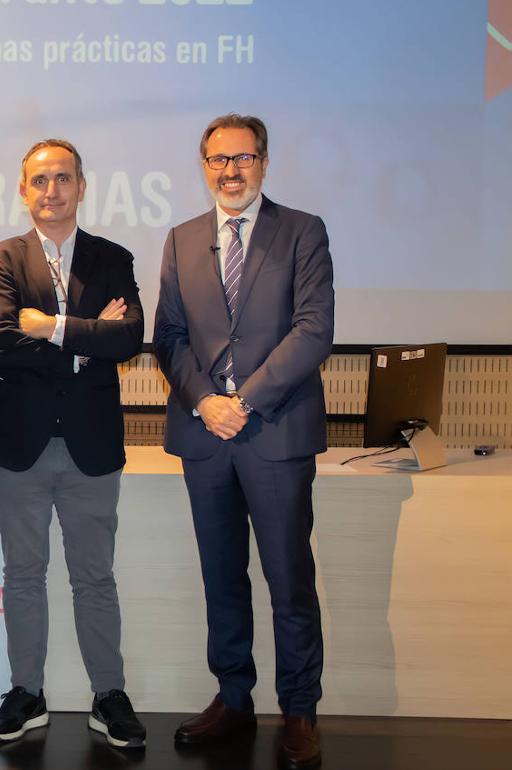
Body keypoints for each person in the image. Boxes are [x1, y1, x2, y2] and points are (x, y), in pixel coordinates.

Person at [154, 114, 333, 770]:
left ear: (264, 163)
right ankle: (234, 698)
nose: (231, 171)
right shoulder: (180, 240)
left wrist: (243, 401)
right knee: (222, 576)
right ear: (204, 166)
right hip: (206, 437)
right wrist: (204, 401)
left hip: (274, 432)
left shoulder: (302, 233)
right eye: (218, 160)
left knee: (289, 580)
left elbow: (314, 331)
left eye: (244, 158)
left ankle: (299, 710)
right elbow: (168, 335)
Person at [0, 139, 146, 747]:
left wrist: (49, 327)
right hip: (19, 444)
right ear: (24, 190)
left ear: (81, 186)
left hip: (91, 444)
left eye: (63, 179)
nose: (52, 191)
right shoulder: (2, 258)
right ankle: (27, 692)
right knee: (23, 574)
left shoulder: (112, 257)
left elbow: (128, 339)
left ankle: (109, 694)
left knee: (94, 577)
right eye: (39, 180)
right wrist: (87, 337)